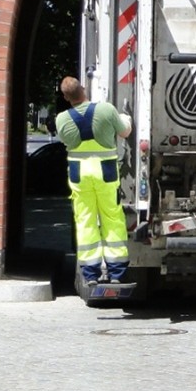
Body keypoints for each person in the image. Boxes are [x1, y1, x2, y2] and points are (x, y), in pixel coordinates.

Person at [54, 76, 133, 286]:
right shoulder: (106, 110)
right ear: (83, 88)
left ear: (65, 97)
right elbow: (125, 132)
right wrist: (125, 119)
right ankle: (116, 273)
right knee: (112, 218)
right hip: (105, 172)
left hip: (79, 174)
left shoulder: (61, 119)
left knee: (85, 220)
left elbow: (65, 140)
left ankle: (91, 274)